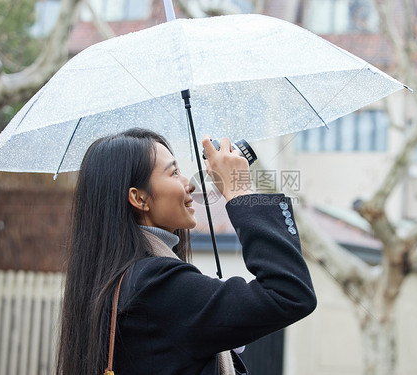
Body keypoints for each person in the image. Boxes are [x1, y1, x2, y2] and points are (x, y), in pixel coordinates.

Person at [56, 128, 316, 375]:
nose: (189, 184)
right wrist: (239, 191)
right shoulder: (154, 283)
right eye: (173, 173)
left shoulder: (123, 278)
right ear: (139, 199)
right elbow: (289, 293)